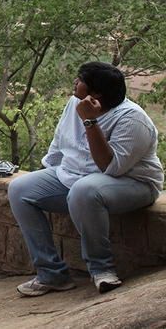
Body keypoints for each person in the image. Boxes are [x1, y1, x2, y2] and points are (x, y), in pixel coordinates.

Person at [9, 62, 162, 296]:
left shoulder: (133, 120)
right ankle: (52, 274)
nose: (74, 82)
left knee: (84, 191)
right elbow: (60, 142)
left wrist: (90, 122)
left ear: (97, 93)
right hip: (77, 177)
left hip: (132, 184)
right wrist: (44, 172)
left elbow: (110, 167)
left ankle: (102, 270)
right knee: (20, 188)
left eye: (80, 79)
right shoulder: (75, 103)